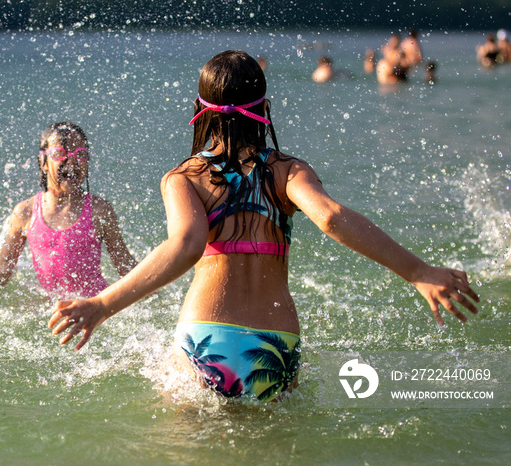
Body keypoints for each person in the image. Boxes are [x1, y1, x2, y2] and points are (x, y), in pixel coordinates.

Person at [49, 51, 480, 402]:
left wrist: (103, 304)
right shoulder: (288, 172)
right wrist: (419, 272)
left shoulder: (185, 178)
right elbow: (330, 217)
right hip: (276, 343)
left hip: (207, 335)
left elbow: (185, 245)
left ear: (199, 114)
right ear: (265, 110)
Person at [0, 122, 137, 299]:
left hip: (92, 305)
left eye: (80, 155)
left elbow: (124, 264)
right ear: (42, 162)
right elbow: (3, 266)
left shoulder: (98, 210)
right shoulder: (26, 212)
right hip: (50, 306)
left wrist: (154, 297)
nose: (72, 161)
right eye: (60, 154)